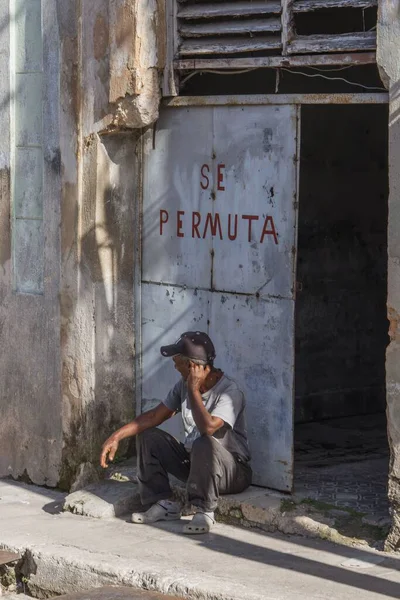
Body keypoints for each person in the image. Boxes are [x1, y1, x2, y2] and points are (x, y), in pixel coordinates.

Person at [100, 331, 252, 534]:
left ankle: (204, 511)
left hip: (232, 472)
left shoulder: (229, 392)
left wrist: (194, 390)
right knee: (148, 436)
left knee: (204, 441)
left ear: (193, 366)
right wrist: (116, 436)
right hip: (197, 465)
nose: (173, 363)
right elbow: (155, 416)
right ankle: (163, 505)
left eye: (177, 360)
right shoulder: (184, 385)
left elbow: (208, 427)